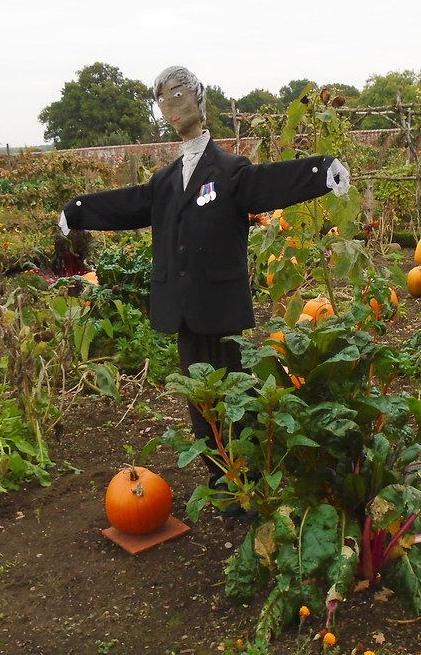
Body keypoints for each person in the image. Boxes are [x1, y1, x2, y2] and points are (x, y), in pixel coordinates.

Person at [58, 65, 351, 500]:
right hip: (182, 309)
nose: (171, 104)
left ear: (200, 99)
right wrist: (79, 210)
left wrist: (320, 171)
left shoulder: (230, 170)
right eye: (162, 98)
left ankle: (250, 483)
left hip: (221, 307)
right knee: (200, 401)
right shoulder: (163, 181)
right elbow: (128, 204)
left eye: (178, 93)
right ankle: (220, 481)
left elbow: (266, 184)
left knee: (238, 395)